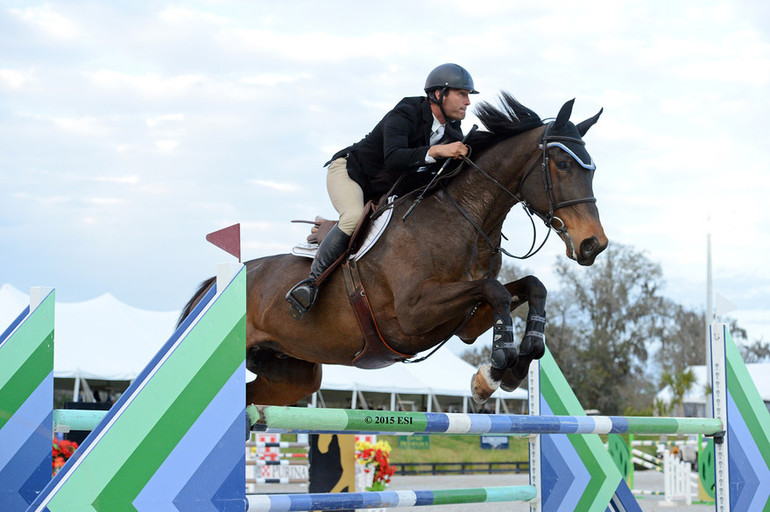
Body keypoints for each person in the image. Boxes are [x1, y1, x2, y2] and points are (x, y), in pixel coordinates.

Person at [286, 63, 479, 319]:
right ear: (438, 94)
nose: (467, 102)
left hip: (383, 191)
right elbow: (394, 158)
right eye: (462, 94)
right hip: (350, 173)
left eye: (468, 96)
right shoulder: (407, 111)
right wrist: (436, 151)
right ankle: (310, 284)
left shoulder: (453, 131)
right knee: (353, 216)